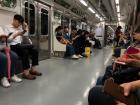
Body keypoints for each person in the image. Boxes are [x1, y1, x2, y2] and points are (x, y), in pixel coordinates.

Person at [2, 14, 42, 80]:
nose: (19, 24)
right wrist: (15, 35)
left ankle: (33, 70)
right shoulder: (6, 27)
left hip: (20, 45)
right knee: (25, 51)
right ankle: (26, 73)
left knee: (35, 50)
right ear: (14, 20)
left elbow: (25, 35)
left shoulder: (20, 27)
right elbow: (6, 40)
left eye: (20, 23)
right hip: (12, 46)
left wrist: (25, 27)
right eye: (18, 22)